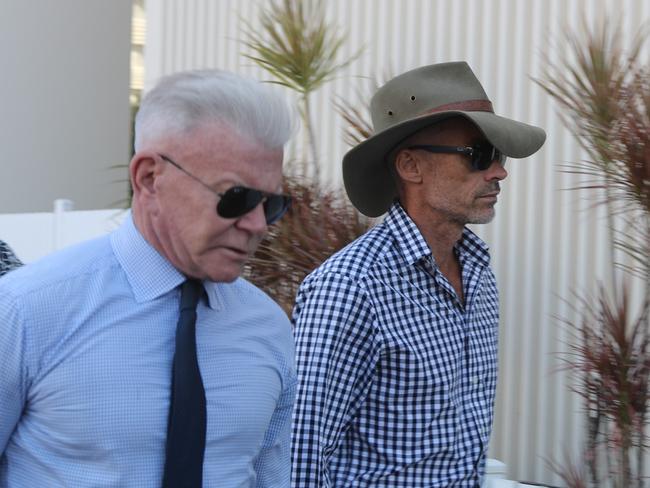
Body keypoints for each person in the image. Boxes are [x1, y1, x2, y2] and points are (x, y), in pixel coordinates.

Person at [0, 69, 296, 487]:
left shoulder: (268, 327)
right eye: (237, 197)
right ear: (149, 178)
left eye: (271, 204)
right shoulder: (26, 310)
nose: (257, 224)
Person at [291, 62, 546, 486]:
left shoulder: (478, 274)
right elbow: (303, 456)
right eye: (478, 155)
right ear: (410, 166)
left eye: (497, 154)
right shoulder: (350, 287)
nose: (499, 171)